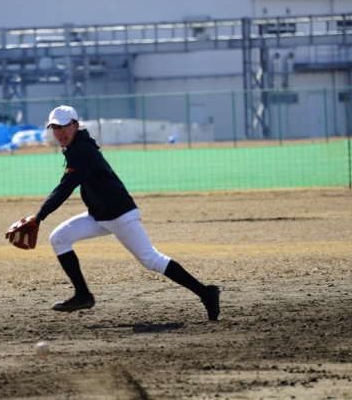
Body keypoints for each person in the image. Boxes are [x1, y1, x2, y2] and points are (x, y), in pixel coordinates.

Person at [20, 105, 220, 321]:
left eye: (64, 126)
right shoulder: (75, 147)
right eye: (55, 128)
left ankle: (205, 292)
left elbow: (66, 186)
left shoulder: (81, 149)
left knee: (151, 259)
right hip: (100, 215)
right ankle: (83, 295)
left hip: (120, 214)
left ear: (76, 125)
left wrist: (39, 216)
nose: (60, 132)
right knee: (59, 238)